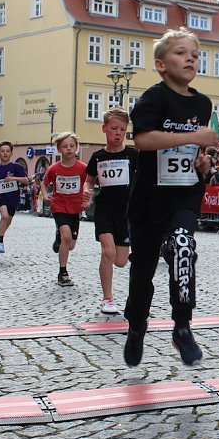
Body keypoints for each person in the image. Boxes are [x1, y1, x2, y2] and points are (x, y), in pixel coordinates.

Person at [123, 27, 218, 368]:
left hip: (185, 194)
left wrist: (202, 161)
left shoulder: (203, 103)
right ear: (161, 65)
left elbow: (194, 152)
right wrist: (193, 136)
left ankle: (182, 325)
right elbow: (143, 141)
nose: (190, 57)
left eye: (194, 53)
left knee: (182, 248)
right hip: (149, 199)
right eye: (180, 52)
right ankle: (136, 326)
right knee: (142, 273)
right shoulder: (154, 98)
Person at [84, 107, 138, 314]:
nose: (118, 133)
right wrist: (87, 192)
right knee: (108, 252)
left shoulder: (133, 155)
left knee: (121, 261)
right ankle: (108, 298)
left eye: (122, 130)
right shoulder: (97, 157)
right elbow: (89, 181)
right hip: (105, 209)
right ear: (104, 129)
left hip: (126, 212)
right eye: (114, 128)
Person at [42, 132, 90, 287]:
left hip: (75, 209)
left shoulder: (83, 168)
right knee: (67, 237)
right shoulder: (54, 168)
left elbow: (89, 184)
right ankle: (63, 272)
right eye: (65, 146)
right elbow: (44, 183)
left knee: (71, 244)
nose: (69, 149)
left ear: (76, 148)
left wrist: (88, 199)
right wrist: (44, 195)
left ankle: (59, 237)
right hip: (59, 206)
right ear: (58, 149)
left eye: (72, 146)